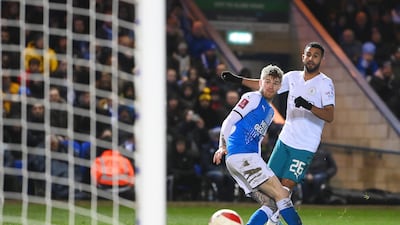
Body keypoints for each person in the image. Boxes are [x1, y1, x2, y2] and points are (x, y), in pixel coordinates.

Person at [221, 42, 335, 224]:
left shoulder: (325, 83)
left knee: (284, 191)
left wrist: (308, 106)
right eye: (309, 54)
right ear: (303, 57)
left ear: (321, 59)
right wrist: (238, 80)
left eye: (316, 55)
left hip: (304, 146)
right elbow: (266, 85)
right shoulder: (292, 77)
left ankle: (271, 222)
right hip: (284, 140)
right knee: (272, 192)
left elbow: (329, 115)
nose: (311, 58)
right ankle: (272, 221)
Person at [213, 65, 302, 225]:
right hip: (241, 155)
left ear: (280, 87)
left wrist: (260, 162)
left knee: (271, 203)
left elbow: (257, 140)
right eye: (267, 81)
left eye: (275, 83)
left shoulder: (270, 112)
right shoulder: (253, 97)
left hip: (245, 159)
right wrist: (222, 145)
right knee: (282, 194)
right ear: (260, 82)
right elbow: (229, 120)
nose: (270, 85)